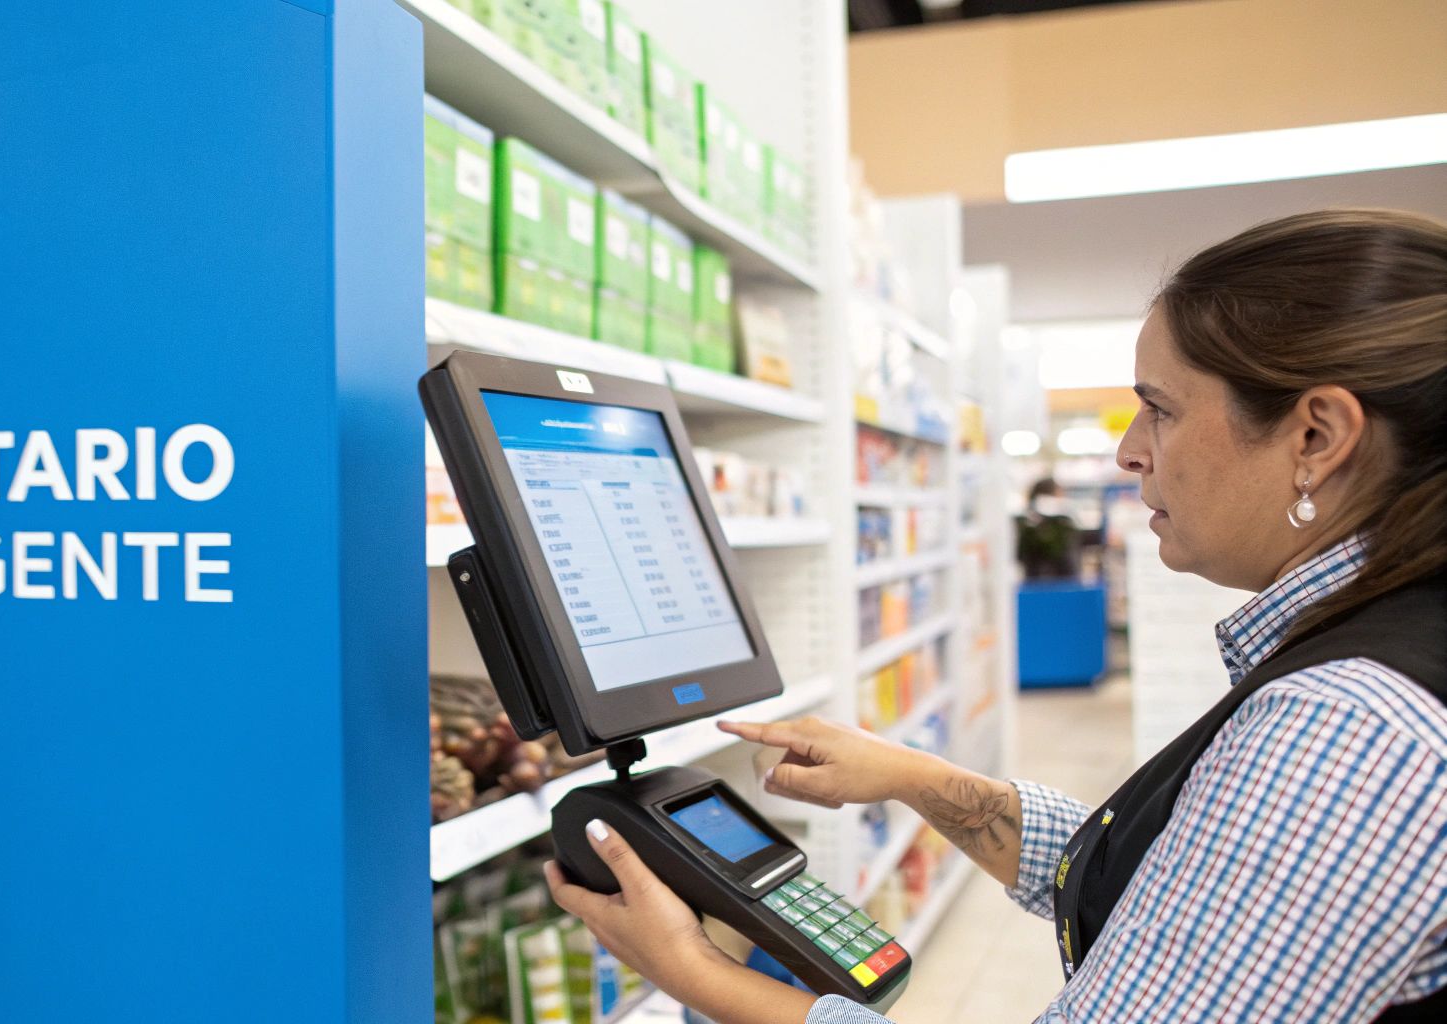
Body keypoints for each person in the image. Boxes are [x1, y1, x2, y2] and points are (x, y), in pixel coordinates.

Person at [544, 209, 1447, 1023]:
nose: (1131, 453)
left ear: (1318, 438)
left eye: (1159, 411)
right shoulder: (1390, 646)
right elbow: (1142, 885)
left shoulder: (1347, 726)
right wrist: (916, 778)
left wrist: (697, 975)